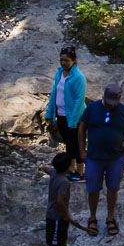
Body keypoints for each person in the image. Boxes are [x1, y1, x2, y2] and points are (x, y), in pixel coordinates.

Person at [79, 82, 124, 238]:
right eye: (109, 102)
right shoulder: (92, 108)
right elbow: (82, 127)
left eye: (114, 103)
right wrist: (82, 150)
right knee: (92, 189)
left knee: (113, 189)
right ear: (103, 96)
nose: (111, 106)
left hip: (115, 159)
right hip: (93, 157)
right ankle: (92, 217)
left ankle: (110, 218)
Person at [44, 46, 87, 174]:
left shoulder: (78, 77)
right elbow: (54, 93)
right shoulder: (59, 73)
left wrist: (73, 122)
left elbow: (79, 100)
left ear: (73, 60)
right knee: (69, 143)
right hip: (61, 115)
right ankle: (71, 169)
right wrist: (49, 112)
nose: (63, 63)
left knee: (78, 144)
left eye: (66, 60)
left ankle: (80, 172)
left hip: (75, 117)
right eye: (61, 60)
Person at [45, 151, 87, 246]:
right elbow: (60, 200)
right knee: (55, 243)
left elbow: (47, 169)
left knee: (62, 241)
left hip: (56, 216)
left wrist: (41, 167)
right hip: (57, 217)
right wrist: (67, 215)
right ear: (69, 166)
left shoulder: (54, 174)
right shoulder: (64, 182)